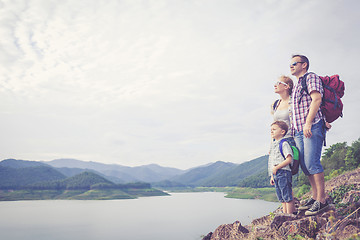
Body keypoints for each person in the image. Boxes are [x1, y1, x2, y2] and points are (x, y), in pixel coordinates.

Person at [290, 54, 328, 216]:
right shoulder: (297, 85)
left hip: (311, 126)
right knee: (305, 166)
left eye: (294, 63)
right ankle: (314, 197)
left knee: (312, 163)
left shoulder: (310, 77)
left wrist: (308, 123)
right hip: (298, 130)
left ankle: (322, 200)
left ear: (303, 65)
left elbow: (317, 99)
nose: (291, 66)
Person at [269, 120, 295, 214]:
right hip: (276, 174)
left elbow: (289, 159)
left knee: (287, 196)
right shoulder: (274, 145)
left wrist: (277, 167)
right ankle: (285, 215)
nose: (271, 131)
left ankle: (289, 215)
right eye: (271, 130)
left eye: (274, 129)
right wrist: (272, 176)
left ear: (282, 132)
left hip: (283, 172)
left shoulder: (284, 144)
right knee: (282, 197)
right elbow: (272, 162)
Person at [271, 75, 295, 146]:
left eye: (278, 83)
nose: (275, 85)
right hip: (277, 141)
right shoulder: (275, 104)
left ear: (286, 86)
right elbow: (274, 125)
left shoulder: (294, 102)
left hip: (290, 140)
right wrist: (272, 143)